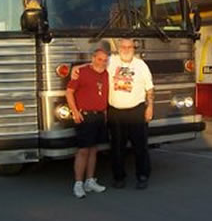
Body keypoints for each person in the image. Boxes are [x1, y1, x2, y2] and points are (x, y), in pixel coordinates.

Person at [107, 38, 155, 189]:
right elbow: (94, 64)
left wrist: (150, 107)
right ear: (118, 48)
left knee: (140, 147)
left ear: (134, 49)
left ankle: (142, 176)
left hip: (136, 111)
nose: (126, 49)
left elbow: (150, 88)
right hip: (115, 112)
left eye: (129, 47)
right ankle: (119, 177)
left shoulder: (141, 65)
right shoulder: (110, 62)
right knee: (117, 147)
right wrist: (78, 69)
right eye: (123, 46)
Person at [65, 48, 110, 198]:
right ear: (93, 58)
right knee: (83, 150)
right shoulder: (81, 73)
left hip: (99, 116)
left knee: (93, 150)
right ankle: (78, 183)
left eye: (105, 60)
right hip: (85, 116)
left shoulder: (105, 74)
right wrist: (75, 111)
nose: (102, 62)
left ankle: (90, 181)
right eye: (99, 59)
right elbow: (69, 92)